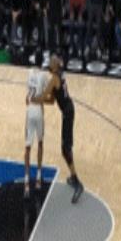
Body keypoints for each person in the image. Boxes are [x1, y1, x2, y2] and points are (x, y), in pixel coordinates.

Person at [34, 55, 84, 204]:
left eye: (50, 63)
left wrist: (33, 99)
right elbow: (51, 100)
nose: (48, 64)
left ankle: (77, 182)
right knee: (66, 148)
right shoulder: (59, 75)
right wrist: (40, 101)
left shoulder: (54, 79)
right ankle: (73, 177)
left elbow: (44, 96)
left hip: (67, 113)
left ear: (55, 66)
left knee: (65, 149)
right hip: (68, 110)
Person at [24, 69, 50, 198]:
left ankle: (26, 182)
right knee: (40, 143)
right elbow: (45, 97)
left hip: (30, 110)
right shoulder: (43, 75)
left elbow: (26, 98)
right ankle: (39, 178)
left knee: (27, 147)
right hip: (38, 111)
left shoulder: (29, 73)